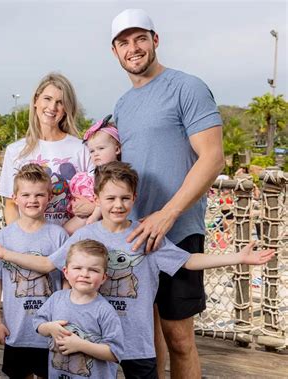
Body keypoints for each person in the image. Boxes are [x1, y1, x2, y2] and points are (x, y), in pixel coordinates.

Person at [0, 161, 275, 379]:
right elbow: (46, 264)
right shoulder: (84, 235)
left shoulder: (145, 233)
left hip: (137, 340)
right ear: (97, 200)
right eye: (110, 198)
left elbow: (187, 261)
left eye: (124, 198)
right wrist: (4, 253)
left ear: (134, 199)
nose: (117, 205)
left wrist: (237, 257)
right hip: (93, 338)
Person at [110, 8, 225, 377]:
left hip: (177, 231)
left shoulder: (186, 87)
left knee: (178, 337)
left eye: (140, 38)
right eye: (124, 42)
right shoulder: (122, 105)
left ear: (155, 40)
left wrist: (168, 213)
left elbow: (213, 158)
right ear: (115, 52)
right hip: (134, 236)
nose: (133, 48)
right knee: (146, 337)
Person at [0, 163, 69, 379]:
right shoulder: (5, 236)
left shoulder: (58, 236)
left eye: (39, 194)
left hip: (50, 329)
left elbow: (67, 281)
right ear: (15, 197)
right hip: (17, 329)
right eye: (26, 194)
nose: (33, 200)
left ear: (49, 197)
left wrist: (67, 315)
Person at [0, 72, 93, 227]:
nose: (52, 107)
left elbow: (95, 199)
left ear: (67, 108)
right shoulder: (15, 150)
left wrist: (61, 239)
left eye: (60, 102)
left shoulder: (81, 148)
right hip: (30, 246)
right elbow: (10, 205)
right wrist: (22, 240)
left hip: (71, 242)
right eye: (47, 99)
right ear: (36, 100)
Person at [33, 239, 124, 379]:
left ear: (103, 277)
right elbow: (38, 323)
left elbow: (114, 353)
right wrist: (49, 328)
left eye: (93, 270)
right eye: (77, 268)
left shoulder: (105, 311)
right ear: (66, 272)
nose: (84, 274)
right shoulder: (56, 299)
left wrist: (80, 345)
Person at [64, 114, 121, 234]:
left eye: (101, 148)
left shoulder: (114, 172)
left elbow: (105, 197)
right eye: (92, 151)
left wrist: (94, 216)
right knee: (64, 231)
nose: (95, 154)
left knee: (66, 232)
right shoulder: (96, 171)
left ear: (117, 149)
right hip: (84, 213)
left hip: (95, 217)